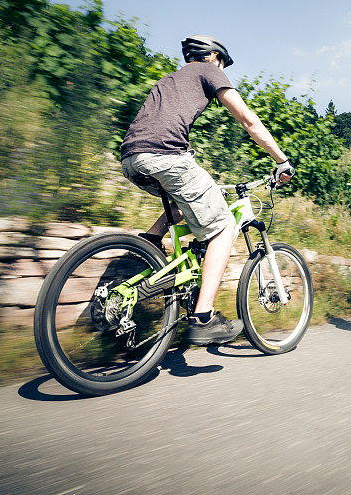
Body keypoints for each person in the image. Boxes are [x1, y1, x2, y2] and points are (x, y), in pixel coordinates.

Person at [119, 35, 294, 345]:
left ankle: (149, 243)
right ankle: (203, 318)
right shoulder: (209, 69)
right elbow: (247, 119)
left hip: (132, 157)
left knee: (182, 197)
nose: (223, 68)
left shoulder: (170, 79)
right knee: (224, 226)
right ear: (213, 56)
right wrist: (281, 161)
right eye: (223, 63)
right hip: (165, 155)